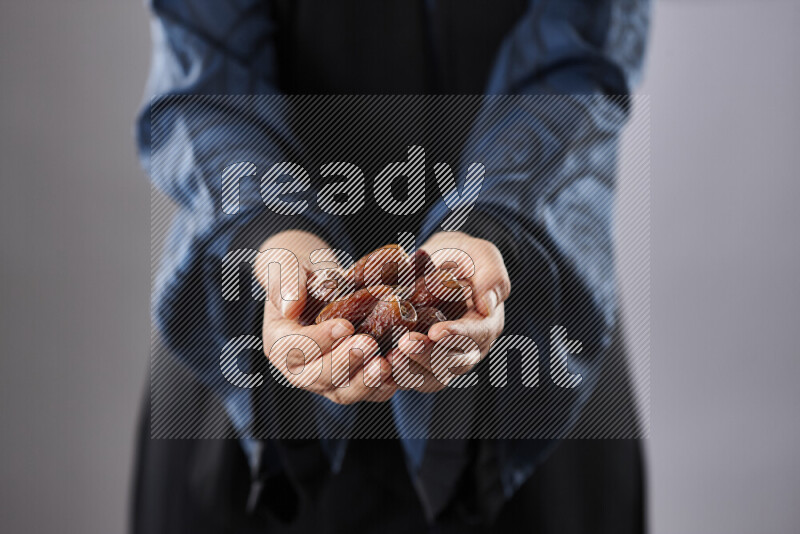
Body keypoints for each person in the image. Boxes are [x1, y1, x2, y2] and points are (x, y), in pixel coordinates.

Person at [133, 0, 650, 532]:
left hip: (522, 325)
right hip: (251, 327)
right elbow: (204, 66)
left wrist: (492, 220)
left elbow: (580, 54)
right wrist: (273, 229)